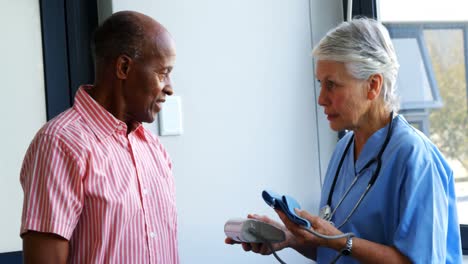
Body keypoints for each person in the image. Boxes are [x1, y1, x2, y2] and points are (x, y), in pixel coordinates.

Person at [225, 18, 462, 263]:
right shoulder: (343, 150)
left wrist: (339, 240)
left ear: (373, 85)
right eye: (320, 84)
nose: (321, 99)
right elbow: (332, 250)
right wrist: (290, 238)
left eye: (332, 85)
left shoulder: (416, 159)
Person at [20, 11, 179, 263]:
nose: (170, 87)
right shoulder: (60, 143)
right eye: (163, 73)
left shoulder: (153, 149)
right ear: (124, 67)